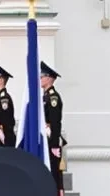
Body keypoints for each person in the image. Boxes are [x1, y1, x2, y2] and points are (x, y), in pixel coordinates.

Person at [41, 61, 67, 196]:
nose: (40, 78)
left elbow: (55, 123)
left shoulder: (53, 98)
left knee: (54, 174)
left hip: (52, 140)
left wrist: (54, 145)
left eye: (42, 76)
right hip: (46, 139)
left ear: (50, 78)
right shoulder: (45, 96)